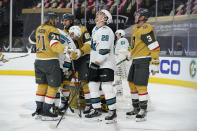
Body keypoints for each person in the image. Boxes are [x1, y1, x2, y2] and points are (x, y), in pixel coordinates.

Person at [71, 9, 117, 123]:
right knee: (92, 86)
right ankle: (96, 109)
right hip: (95, 63)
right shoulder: (95, 30)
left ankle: (113, 111)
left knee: (107, 87)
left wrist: (96, 63)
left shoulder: (106, 30)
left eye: (100, 14)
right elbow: (93, 49)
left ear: (105, 18)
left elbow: (104, 51)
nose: (97, 14)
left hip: (105, 64)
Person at [29, 11, 68, 120]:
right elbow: (54, 45)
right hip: (50, 61)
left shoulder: (39, 28)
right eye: (55, 19)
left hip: (38, 61)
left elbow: (31, 40)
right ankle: (47, 111)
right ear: (51, 19)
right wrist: (66, 50)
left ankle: (39, 110)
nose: (57, 21)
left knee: (42, 86)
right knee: (53, 86)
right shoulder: (53, 29)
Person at [126, 8, 160, 122]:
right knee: (131, 83)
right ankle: (135, 108)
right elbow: (136, 45)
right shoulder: (135, 28)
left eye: (137, 15)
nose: (135, 16)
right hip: (135, 60)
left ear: (142, 17)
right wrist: (129, 53)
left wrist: (155, 61)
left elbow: (154, 45)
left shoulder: (146, 28)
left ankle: (143, 110)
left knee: (141, 85)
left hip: (143, 60)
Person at [113, 29, 130, 95]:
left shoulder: (122, 40)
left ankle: (124, 91)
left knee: (122, 76)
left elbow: (123, 51)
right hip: (119, 60)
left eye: (117, 34)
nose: (116, 35)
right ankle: (119, 91)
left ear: (121, 34)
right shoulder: (119, 40)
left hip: (122, 62)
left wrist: (119, 60)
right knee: (117, 76)